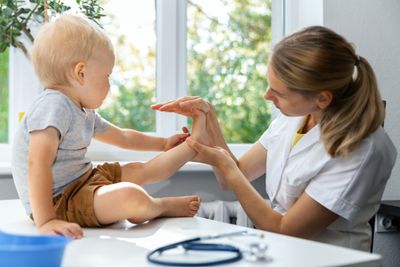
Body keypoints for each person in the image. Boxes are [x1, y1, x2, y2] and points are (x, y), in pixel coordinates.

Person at [152, 26, 398, 251]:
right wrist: (208, 118)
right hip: (281, 252)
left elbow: (286, 229)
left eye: (278, 92)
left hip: (326, 258)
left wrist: (224, 163)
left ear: (323, 98)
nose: (266, 96)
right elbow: (235, 177)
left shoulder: (362, 149)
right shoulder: (295, 116)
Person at [11, 14, 205, 240]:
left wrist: (163, 144)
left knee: (137, 170)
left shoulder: (82, 110)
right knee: (130, 196)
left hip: (82, 180)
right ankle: (159, 206)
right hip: (58, 201)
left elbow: (123, 137)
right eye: (107, 76)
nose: (109, 86)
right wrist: (47, 220)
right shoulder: (53, 106)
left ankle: (193, 145)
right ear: (80, 73)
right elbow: (37, 163)